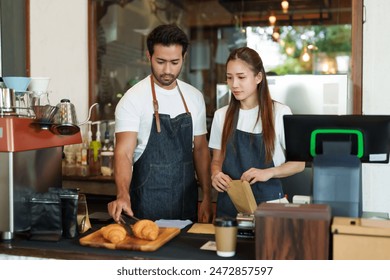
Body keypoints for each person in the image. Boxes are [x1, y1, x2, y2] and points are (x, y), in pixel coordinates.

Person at [108, 24, 212, 223]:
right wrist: (122, 194)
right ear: (149, 56)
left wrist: (207, 197)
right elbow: (123, 152)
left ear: (184, 57)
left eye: (174, 62)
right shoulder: (133, 99)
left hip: (186, 203)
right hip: (145, 203)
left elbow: (200, 150)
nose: (167, 70)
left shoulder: (194, 98)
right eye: (160, 61)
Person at [209, 47, 305, 218]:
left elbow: (299, 164)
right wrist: (215, 174)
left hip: (269, 207)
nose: (234, 84)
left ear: (258, 77)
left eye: (241, 77)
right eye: (229, 78)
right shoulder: (221, 116)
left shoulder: (279, 113)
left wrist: (268, 172)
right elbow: (217, 160)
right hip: (230, 206)